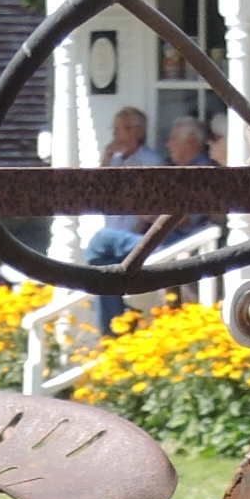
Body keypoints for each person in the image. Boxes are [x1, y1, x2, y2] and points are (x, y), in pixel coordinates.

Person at [81, 105, 154, 334]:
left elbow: (153, 204)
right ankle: (111, 333)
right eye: (114, 129)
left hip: (136, 238)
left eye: (121, 129)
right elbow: (96, 194)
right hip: (115, 239)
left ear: (138, 132)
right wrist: (107, 157)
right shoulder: (115, 159)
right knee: (104, 280)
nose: (115, 135)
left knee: (99, 251)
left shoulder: (150, 160)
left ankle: (115, 331)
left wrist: (143, 231)